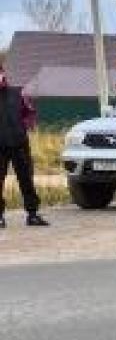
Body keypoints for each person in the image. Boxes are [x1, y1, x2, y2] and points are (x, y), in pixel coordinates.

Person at [0, 61, 50, 229]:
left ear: (3, 74)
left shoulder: (17, 93)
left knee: (26, 179)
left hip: (19, 144)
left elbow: (29, 112)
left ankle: (32, 214)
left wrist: (25, 127)